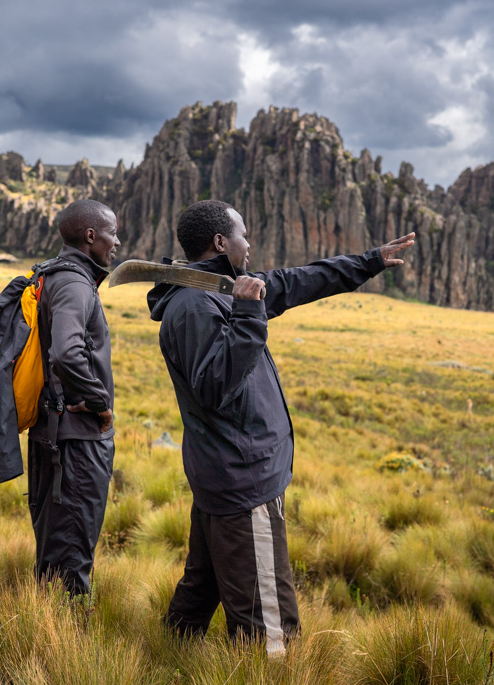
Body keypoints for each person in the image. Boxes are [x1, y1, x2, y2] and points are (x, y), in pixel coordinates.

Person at [147, 199, 414, 654]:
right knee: (269, 628)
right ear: (220, 242)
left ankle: (164, 659)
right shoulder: (194, 305)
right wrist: (250, 316)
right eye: (242, 235)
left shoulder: (222, 287)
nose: (248, 245)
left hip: (228, 475)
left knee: (201, 588)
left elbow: (297, 281)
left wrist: (368, 262)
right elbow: (215, 387)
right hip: (241, 481)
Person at [27, 198, 121, 596]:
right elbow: (66, 351)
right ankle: (63, 648)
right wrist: (98, 401)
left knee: (55, 549)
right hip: (75, 442)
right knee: (70, 554)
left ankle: (43, 632)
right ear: (90, 236)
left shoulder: (56, 275)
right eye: (111, 233)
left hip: (55, 433)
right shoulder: (74, 283)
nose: (116, 242)